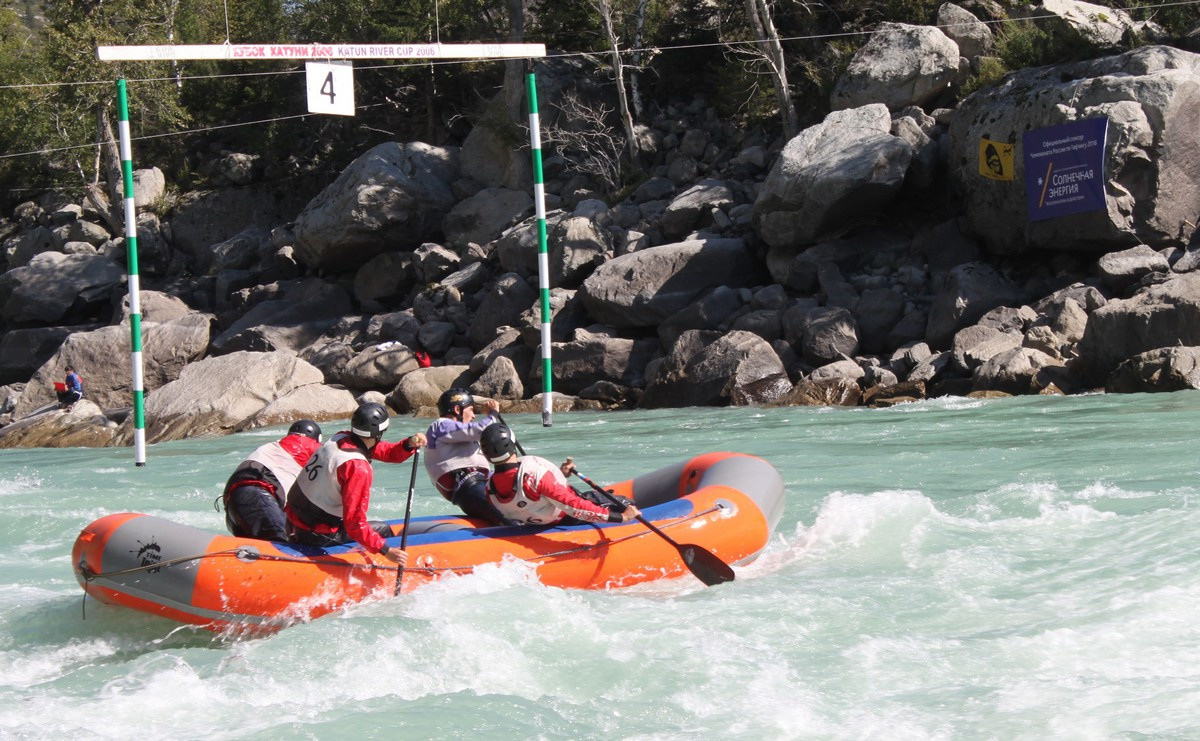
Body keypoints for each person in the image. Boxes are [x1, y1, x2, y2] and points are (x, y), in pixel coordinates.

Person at [284, 401, 426, 565]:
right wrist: (387, 550)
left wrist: (408, 444)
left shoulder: (341, 437)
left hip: (294, 521)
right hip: (317, 535)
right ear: (378, 433)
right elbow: (355, 525)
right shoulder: (358, 467)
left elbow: (387, 452)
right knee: (384, 530)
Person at [479, 423, 641, 526]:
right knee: (627, 503)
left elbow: (533, 499)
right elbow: (573, 507)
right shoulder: (534, 477)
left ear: (487, 456)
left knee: (602, 495)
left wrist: (561, 474)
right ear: (512, 446)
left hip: (538, 522)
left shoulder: (489, 488)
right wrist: (622, 517)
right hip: (568, 518)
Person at [222, 419, 323, 541]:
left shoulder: (272, 446)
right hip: (258, 497)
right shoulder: (313, 448)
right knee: (281, 547)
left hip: (233, 504)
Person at [423, 388, 510, 523]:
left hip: (484, 483)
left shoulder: (461, 434)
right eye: (471, 410)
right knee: (508, 517)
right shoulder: (440, 426)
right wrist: (493, 413)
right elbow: (483, 429)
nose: (474, 415)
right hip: (468, 488)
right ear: (457, 409)